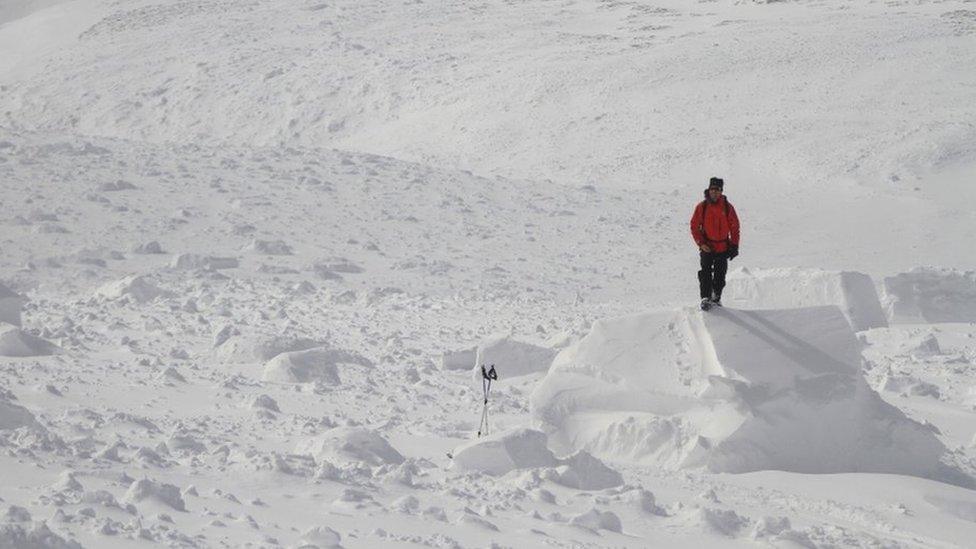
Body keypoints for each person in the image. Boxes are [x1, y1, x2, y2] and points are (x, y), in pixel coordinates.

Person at [690, 177, 740, 310]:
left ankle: (716, 298)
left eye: (717, 190)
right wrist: (701, 243)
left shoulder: (728, 207)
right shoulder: (702, 207)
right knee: (705, 273)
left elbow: (735, 227)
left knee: (720, 275)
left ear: (721, 191)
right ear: (709, 189)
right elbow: (694, 226)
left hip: (723, 247)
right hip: (707, 247)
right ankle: (705, 298)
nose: (714, 192)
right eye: (712, 189)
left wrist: (734, 246)